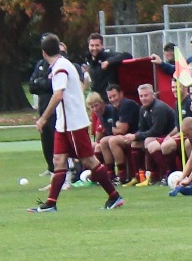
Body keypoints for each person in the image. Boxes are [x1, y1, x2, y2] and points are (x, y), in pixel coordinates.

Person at [29, 33, 124, 213]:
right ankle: (51, 203)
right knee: (59, 160)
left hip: (72, 122)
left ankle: (114, 196)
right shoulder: (63, 65)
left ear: (43, 53)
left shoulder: (60, 68)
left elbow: (58, 94)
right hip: (64, 124)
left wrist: (43, 118)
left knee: (88, 160)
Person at [124, 84, 176, 186]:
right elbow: (142, 129)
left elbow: (157, 131)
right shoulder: (143, 109)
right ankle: (139, 176)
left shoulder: (159, 107)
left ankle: (157, 175)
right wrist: (133, 136)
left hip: (169, 135)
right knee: (134, 143)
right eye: (141, 96)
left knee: (148, 141)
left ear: (153, 95)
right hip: (158, 136)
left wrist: (136, 136)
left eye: (146, 95)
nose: (143, 98)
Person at [104, 84, 141, 185]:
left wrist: (118, 126)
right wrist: (118, 126)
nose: (112, 99)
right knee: (103, 142)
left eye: (114, 96)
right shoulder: (114, 108)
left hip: (136, 134)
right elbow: (113, 130)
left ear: (121, 94)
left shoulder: (126, 104)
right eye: (110, 97)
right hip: (127, 135)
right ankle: (111, 176)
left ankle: (123, 176)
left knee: (113, 141)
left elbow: (122, 130)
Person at [29, 52, 56, 177]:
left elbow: (53, 86)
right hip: (43, 106)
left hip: (56, 109)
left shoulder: (58, 65)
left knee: (57, 139)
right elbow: (31, 86)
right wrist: (42, 82)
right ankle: (51, 167)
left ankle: (62, 169)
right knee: (46, 139)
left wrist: (40, 82)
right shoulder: (40, 64)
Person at [84, 33, 132, 101]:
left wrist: (108, 62)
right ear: (88, 46)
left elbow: (127, 55)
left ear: (102, 45)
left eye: (97, 45)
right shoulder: (88, 58)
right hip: (97, 99)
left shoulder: (107, 55)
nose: (94, 48)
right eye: (92, 45)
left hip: (110, 98)